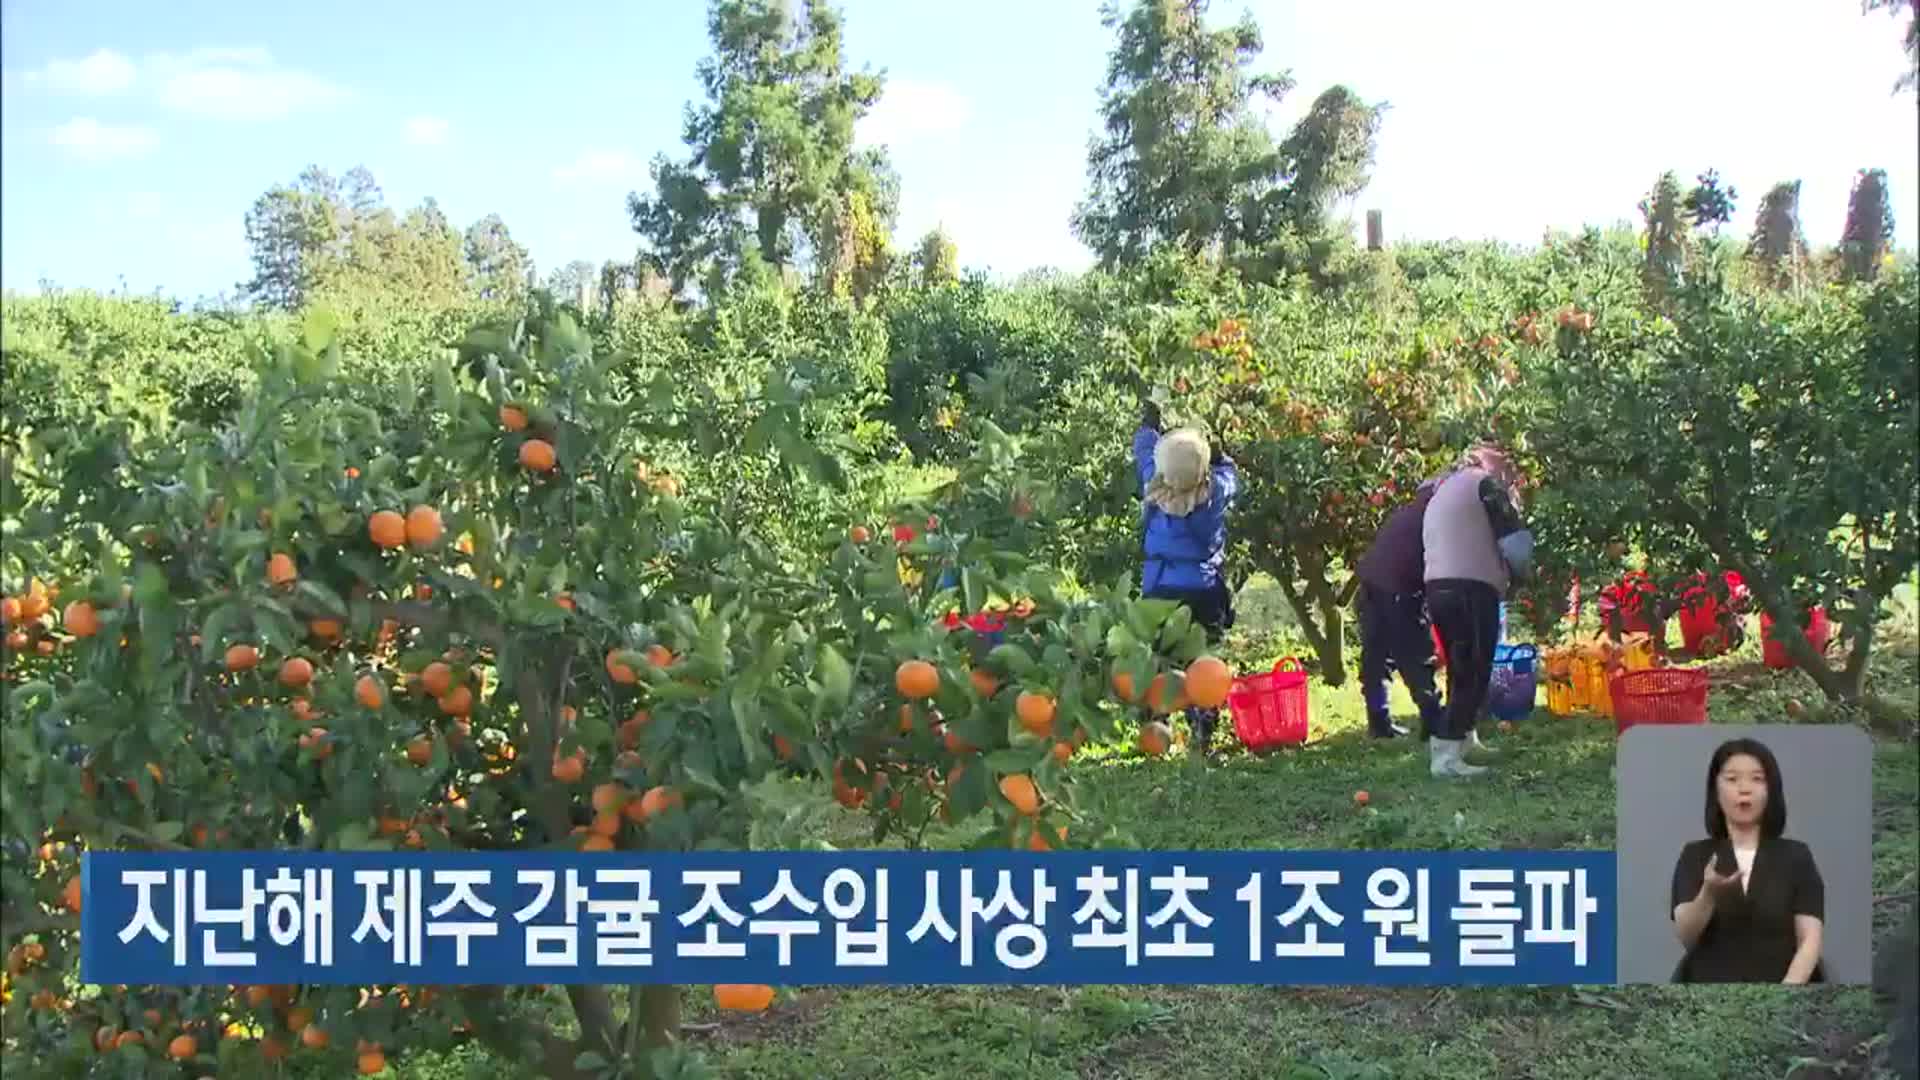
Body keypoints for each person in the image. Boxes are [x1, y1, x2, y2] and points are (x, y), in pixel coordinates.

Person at [1669, 737, 1826, 984]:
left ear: (1770, 790)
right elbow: (1687, 937)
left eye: (1757, 779)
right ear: (1716, 790)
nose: (1745, 788)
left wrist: (1786, 992)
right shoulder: (1695, 855)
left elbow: (1809, 940)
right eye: (1732, 779)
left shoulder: (1796, 856)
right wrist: (1708, 893)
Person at [1420, 444, 1533, 778]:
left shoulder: (1447, 487)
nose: (1511, 474)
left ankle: (1463, 739)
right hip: (1471, 585)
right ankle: (1446, 757)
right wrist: (1525, 575)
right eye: (1507, 464)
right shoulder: (1485, 485)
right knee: (1475, 669)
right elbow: (1516, 545)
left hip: (1438, 586)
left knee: (1460, 666)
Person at [1133, 402, 1239, 759]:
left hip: (1159, 590)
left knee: (1160, 662)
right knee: (1203, 662)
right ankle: (1203, 730)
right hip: (1203, 589)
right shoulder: (1216, 495)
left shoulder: (1153, 484)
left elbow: (1144, 453)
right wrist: (1221, 454)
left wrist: (1149, 426)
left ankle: (1156, 730)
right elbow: (1229, 475)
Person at [1353, 473, 1450, 740]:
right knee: (1415, 655)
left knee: (1376, 656)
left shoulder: (1407, 512)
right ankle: (1433, 720)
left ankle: (1379, 722)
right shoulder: (1435, 519)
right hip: (1399, 589)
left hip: (1371, 583)